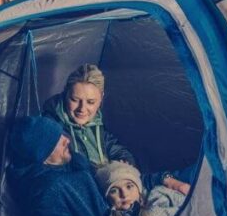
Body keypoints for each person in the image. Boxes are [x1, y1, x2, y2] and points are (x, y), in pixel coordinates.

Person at [6, 116, 144, 216]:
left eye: (61, 134)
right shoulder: (48, 190)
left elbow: (112, 181)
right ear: (43, 154)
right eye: (57, 140)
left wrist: (161, 178)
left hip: (126, 214)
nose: (67, 140)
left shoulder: (72, 161)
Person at [43, 63, 191, 195]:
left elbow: (114, 147)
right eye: (75, 100)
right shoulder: (51, 129)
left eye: (91, 102)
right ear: (65, 95)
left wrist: (125, 161)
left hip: (116, 179)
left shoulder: (96, 122)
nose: (83, 109)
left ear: (101, 98)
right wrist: (111, 174)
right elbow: (69, 172)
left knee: (190, 176)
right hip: (100, 191)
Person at [95, 160, 187, 216]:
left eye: (129, 186)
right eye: (114, 191)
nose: (124, 194)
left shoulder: (159, 195)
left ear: (139, 190)